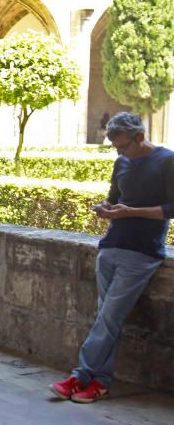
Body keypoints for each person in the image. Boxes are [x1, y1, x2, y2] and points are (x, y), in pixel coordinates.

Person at [50, 112, 174, 404]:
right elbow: (115, 197)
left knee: (108, 317)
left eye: (122, 146)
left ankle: (80, 375)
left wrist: (130, 212)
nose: (119, 152)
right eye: (115, 148)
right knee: (108, 319)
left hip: (142, 252)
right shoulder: (122, 162)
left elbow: (172, 208)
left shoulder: (167, 161)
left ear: (140, 137)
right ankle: (101, 382)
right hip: (110, 247)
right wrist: (105, 208)